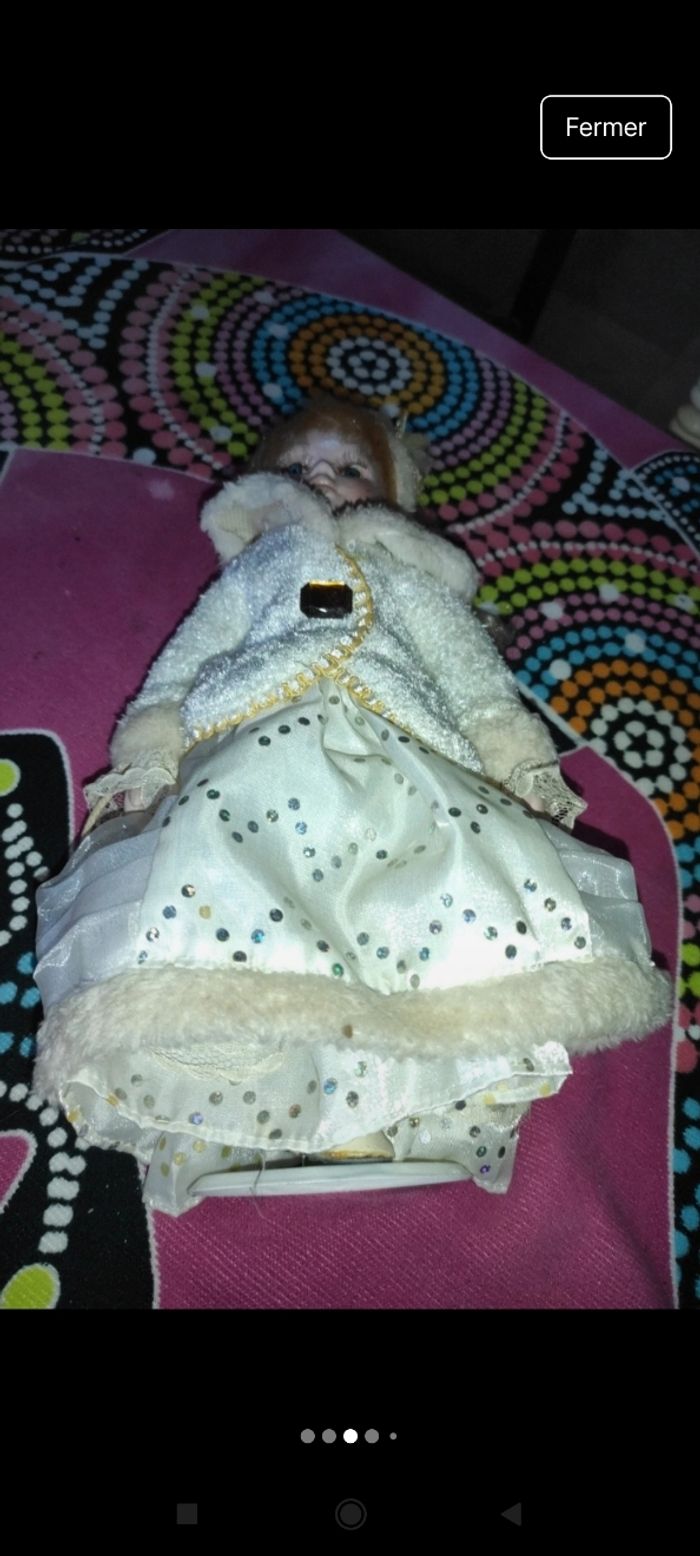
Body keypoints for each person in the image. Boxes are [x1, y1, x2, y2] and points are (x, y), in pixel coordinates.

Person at [33, 395, 671, 1214]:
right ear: (267, 482)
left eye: (349, 466)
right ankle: (245, 1116)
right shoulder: (260, 566)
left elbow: (472, 677)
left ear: (391, 491)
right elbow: (191, 654)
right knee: (239, 911)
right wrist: (152, 743)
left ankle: (382, 1112)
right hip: (258, 742)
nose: (322, 479)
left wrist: (518, 761)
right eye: (299, 466)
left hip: (399, 748)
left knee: (411, 917)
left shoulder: (408, 571)